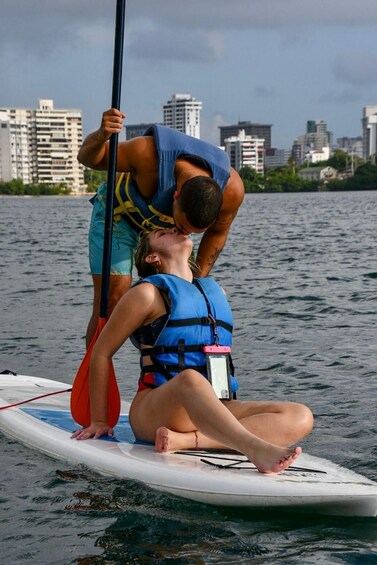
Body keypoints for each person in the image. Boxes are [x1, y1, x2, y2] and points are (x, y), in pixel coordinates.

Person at [72, 227, 314, 474]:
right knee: (191, 379)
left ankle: (187, 441)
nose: (173, 229)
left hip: (215, 406)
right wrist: (100, 421)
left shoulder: (215, 293)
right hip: (158, 409)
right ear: (151, 257)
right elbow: (101, 352)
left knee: (300, 415)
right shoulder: (146, 294)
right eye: (162, 233)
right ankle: (253, 448)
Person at [78, 109, 245, 346]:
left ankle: (160, 371)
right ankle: (93, 371)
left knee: (179, 300)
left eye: (192, 233)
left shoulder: (232, 191)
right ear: (175, 196)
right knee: (113, 297)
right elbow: (88, 158)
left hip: (161, 235)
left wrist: (195, 285)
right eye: (182, 225)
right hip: (118, 214)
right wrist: (101, 135)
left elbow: (217, 234)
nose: (185, 234)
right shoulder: (146, 154)